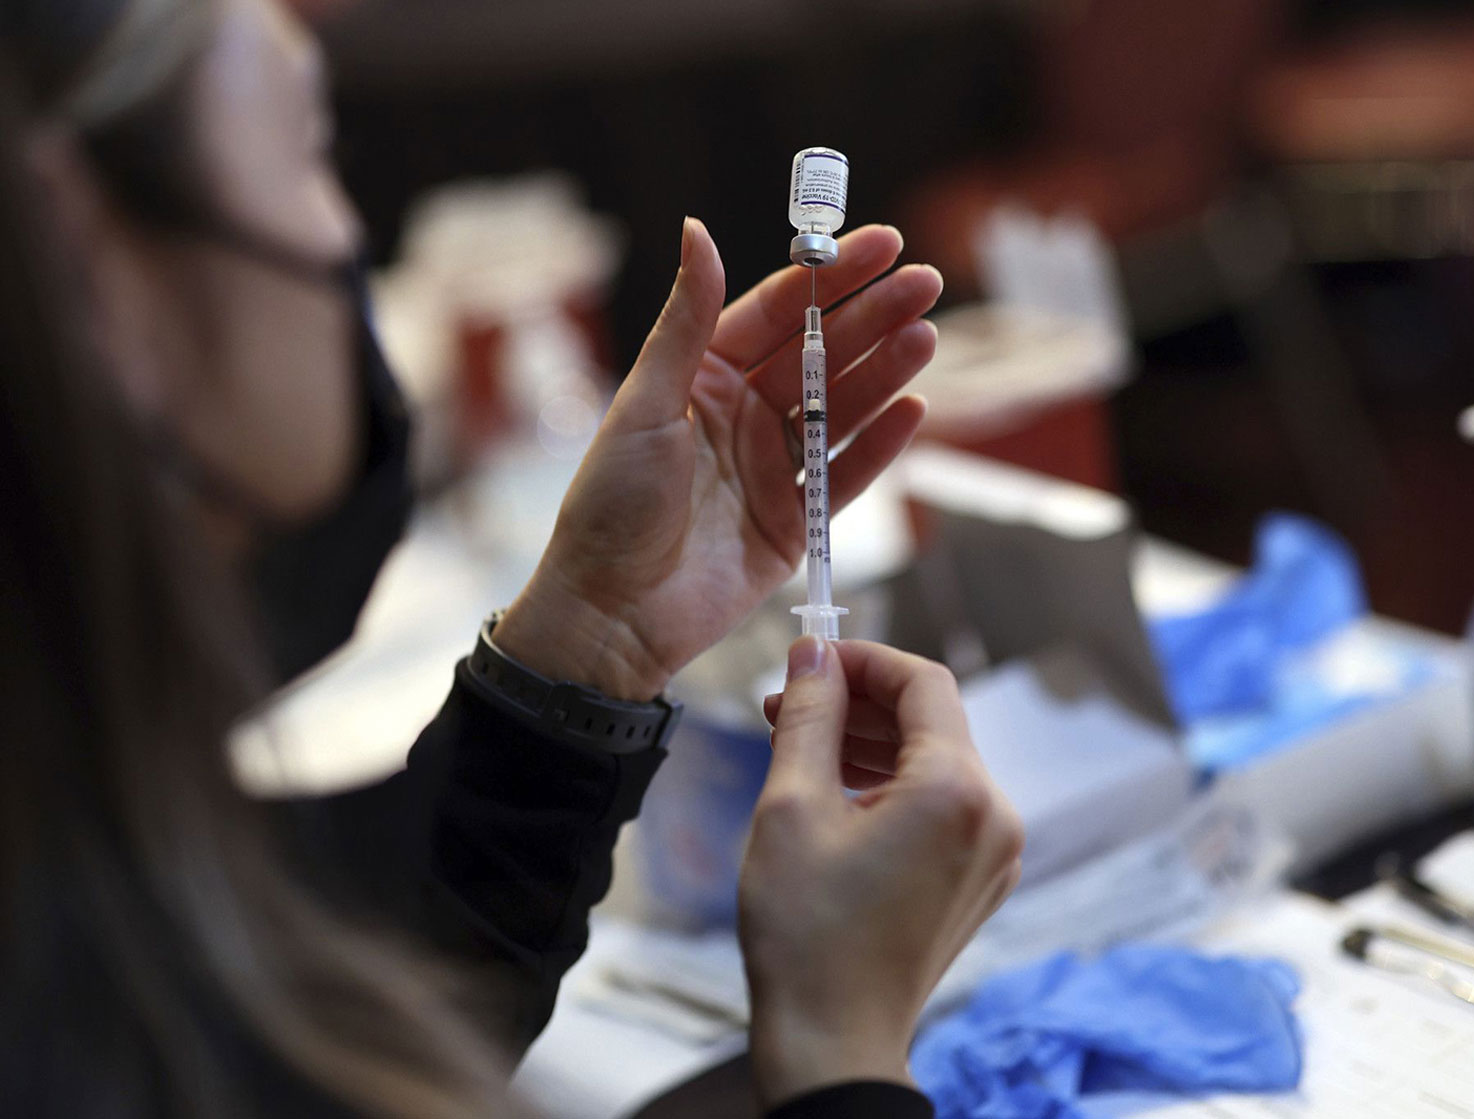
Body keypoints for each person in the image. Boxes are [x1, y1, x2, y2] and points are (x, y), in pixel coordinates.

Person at [0, 0, 1024, 1116]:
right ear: (87, 257)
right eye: (307, 152)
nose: (347, 240)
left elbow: (369, 993)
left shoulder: (86, 831)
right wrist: (841, 1053)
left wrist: (589, 644)